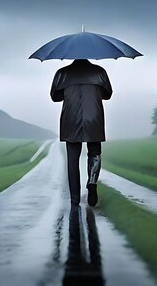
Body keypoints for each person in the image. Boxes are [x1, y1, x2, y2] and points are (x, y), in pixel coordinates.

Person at [50, 58, 112, 207]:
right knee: (94, 153)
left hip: (71, 119)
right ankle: (92, 182)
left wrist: (69, 91)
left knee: (72, 160)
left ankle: (74, 200)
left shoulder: (62, 73)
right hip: (94, 117)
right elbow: (108, 94)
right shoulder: (100, 72)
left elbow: (54, 96)